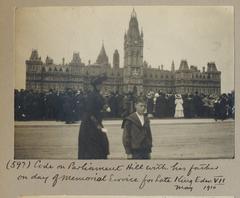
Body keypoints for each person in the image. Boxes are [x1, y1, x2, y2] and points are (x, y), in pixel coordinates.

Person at [78, 74, 110, 159]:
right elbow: (89, 112)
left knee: (102, 142)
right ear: (95, 86)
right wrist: (98, 125)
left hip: (96, 121)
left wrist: (105, 107)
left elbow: (102, 105)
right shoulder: (92, 95)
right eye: (99, 85)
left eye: (101, 84)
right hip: (90, 124)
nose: (101, 86)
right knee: (92, 145)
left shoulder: (98, 95)